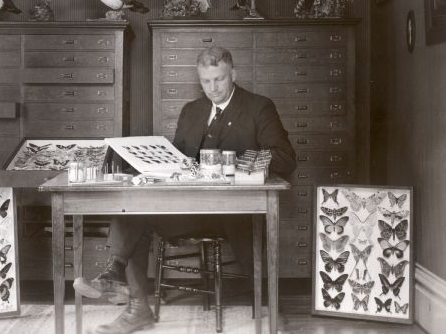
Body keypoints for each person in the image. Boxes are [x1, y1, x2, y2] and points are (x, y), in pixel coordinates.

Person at [74, 46, 297, 334]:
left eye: (219, 79)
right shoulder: (192, 111)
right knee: (131, 209)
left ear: (234, 75)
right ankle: (126, 292)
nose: (213, 88)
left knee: (137, 213)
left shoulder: (258, 107)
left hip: (234, 211)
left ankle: (118, 280)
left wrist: (233, 161)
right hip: (190, 208)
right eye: (206, 81)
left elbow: (285, 158)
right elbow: (178, 160)